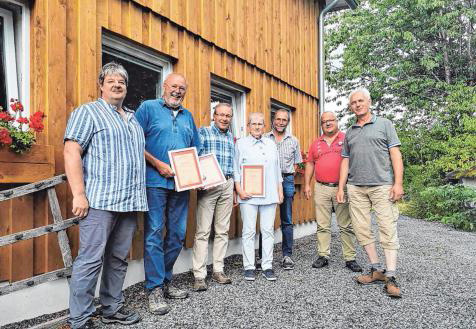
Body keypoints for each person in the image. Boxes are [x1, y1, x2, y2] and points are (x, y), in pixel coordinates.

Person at [63, 62, 146, 329]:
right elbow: (71, 151)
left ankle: (111, 307)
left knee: (118, 259)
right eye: (110, 80)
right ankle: (80, 319)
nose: (117, 84)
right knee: (90, 260)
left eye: (121, 81)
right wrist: (79, 194)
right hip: (99, 201)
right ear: (101, 85)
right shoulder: (88, 112)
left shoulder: (132, 119)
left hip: (129, 202)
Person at [135, 73, 201, 315]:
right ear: (164, 86)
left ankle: (164, 281)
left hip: (181, 185)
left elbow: (196, 148)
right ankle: (154, 288)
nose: (177, 91)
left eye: (182, 88)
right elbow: (134, 142)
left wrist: (198, 175)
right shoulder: (148, 108)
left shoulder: (188, 116)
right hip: (154, 182)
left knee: (177, 234)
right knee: (153, 233)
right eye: (174, 86)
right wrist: (156, 164)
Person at [337, 88, 404, 298]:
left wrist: (398, 183)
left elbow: (395, 154)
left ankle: (391, 276)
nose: (357, 105)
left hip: (382, 186)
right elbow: (345, 161)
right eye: (353, 102)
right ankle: (376, 269)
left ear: (369, 102)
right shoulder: (350, 131)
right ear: (351, 107)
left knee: (387, 228)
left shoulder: (385, 124)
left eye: (360, 101)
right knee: (362, 230)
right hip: (356, 187)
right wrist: (341, 187)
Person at [304, 111, 362, 272]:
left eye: (331, 120)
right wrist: (307, 185)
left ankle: (350, 258)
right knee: (323, 224)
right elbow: (309, 164)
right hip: (321, 187)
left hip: (341, 187)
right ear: (321, 125)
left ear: (337, 122)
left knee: (345, 224)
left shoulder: (346, 139)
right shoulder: (316, 143)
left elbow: (356, 159)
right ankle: (323, 255)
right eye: (324, 121)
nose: (328, 123)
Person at [234, 112, 283, 282]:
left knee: (268, 230)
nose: (257, 127)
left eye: (260, 124)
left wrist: (280, 190)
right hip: (247, 195)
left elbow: (277, 170)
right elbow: (236, 170)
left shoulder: (271, 144)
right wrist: (239, 190)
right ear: (248, 126)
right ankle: (249, 266)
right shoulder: (241, 144)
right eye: (253, 124)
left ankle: (267, 266)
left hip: (269, 194)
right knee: (248, 231)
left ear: (264, 126)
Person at [192, 103, 235, 291]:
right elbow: (194, 157)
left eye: (228, 116)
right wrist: (198, 179)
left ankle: (218, 269)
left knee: (222, 230)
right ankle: (199, 275)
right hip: (208, 186)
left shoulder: (231, 138)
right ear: (214, 116)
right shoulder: (203, 133)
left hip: (227, 184)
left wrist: (233, 188)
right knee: (202, 232)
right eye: (221, 115)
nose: (224, 119)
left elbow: (233, 164)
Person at [264, 109, 302, 270]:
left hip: (286, 179)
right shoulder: (264, 138)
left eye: (284, 120)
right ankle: (264, 257)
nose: (280, 122)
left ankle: (287, 256)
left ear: (288, 122)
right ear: (273, 120)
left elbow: (296, 163)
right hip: (267, 180)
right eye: (278, 119)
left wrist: (287, 178)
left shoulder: (293, 141)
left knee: (286, 219)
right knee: (266, 219)